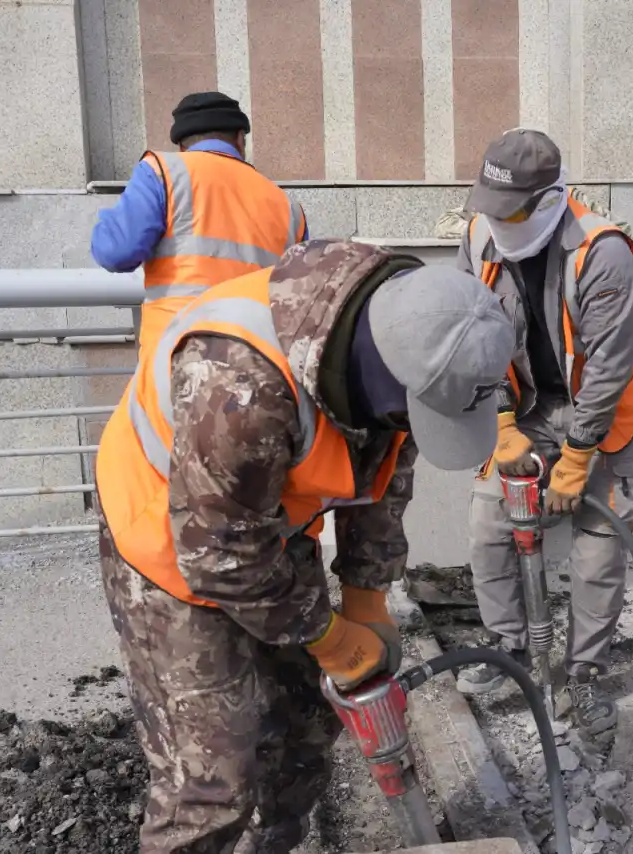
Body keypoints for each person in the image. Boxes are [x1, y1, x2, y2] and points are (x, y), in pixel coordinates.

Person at [94, 238, 516, 853]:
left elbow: (384, 472)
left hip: (264, 519)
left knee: (306, 721)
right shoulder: (238, 386)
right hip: (168, 537)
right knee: (211, 782)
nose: (411, 428)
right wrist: (330, 636)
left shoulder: (401, 337)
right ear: (383, 377)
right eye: (413, 414)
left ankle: (277, 843)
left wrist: (366, 598)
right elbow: (219, 556)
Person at [454, 128, 633, 737]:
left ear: (546, 201)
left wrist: (576, 457)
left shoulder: (602, 250)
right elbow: (468, 332)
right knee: (490, 525)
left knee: (598, 545)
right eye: (487, 206)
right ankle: (511, 647)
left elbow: (612, 366)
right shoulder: (477, 236)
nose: (494, 221)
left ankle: (585, 671)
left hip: (604, 413)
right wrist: (501, 421)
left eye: (507, 209)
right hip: (527, 407)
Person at [90, 91, 307, 351]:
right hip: (259, 362)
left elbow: (116, 253)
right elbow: (301, 300)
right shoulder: (287, 206)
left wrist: (106, 221)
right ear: (240, 139)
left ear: (182, 145)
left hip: (175, 355)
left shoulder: (162, 172)